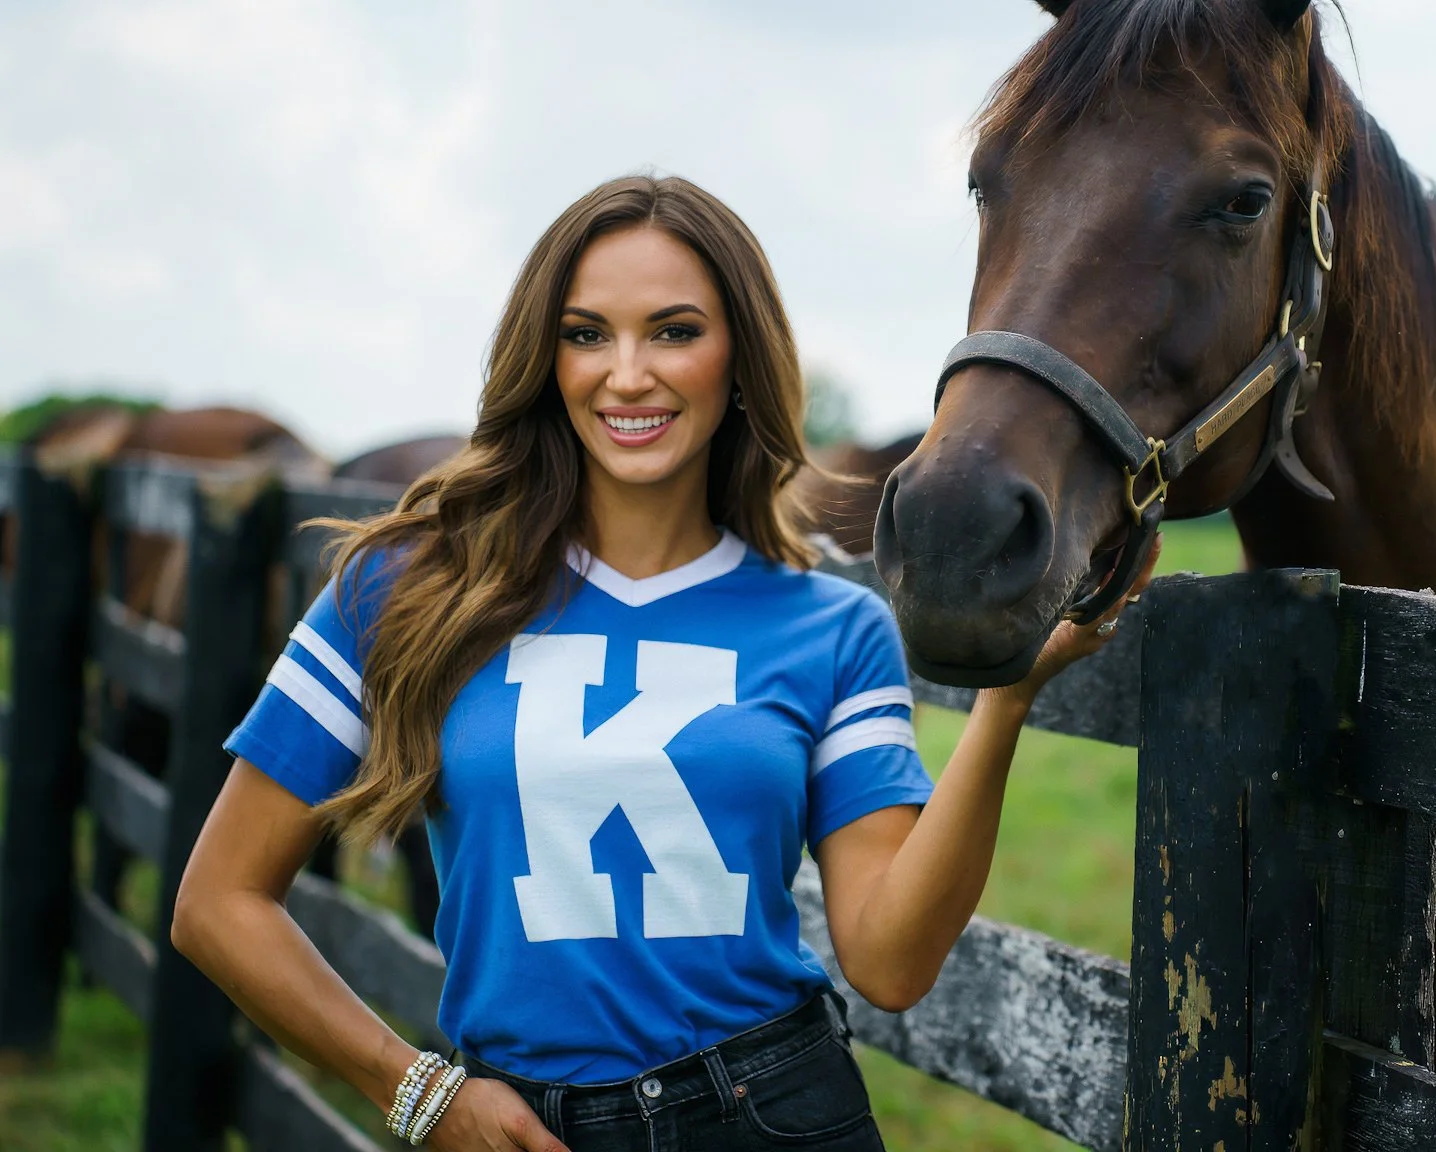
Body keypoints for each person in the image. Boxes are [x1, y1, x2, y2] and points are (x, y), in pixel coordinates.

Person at [170, 174, 1150, 1152]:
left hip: (774, 1114)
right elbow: (217, 903)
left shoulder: (836, 629)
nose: (627, 373)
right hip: (512, 1127)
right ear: (543, 358)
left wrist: (1005, 705)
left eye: (675, 331)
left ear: (739, 359)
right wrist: (419, 1093)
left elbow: (890, 963)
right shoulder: (400, 589)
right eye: (586, 333)